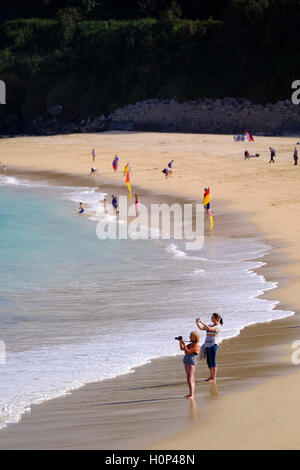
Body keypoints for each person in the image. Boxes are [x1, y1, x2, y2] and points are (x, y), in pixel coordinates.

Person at [196, 313, 223, 383]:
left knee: (213, 361)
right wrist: (197, 322)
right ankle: (211, 376)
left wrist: (201, 322)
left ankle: (213, 377)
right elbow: (201, 328)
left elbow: (210, 329)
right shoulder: (210, 325)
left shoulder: (218, 326)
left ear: (217, 319)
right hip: (207, 345)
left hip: (213, 345)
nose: (211, 318)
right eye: (211, 317)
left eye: (213, 317)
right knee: (209, 361)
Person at [179, 331, 200, 399]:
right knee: (189, 378)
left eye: (191, 336)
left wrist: (184, 344)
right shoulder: (191, 344)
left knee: (190, 379)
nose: (189, 337)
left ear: (195, 337)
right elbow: (182, 348)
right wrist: (180, 342)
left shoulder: (196, 345)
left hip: (191, 362)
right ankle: (191, 393)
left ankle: (191, 394)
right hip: (186, 362)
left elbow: (188, 351)